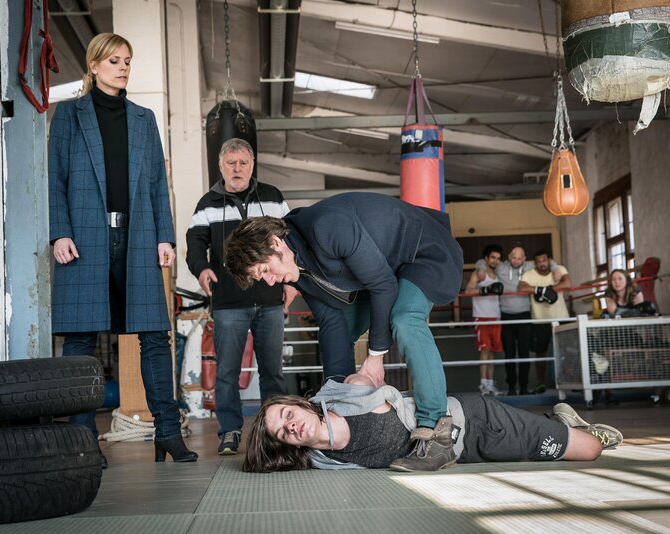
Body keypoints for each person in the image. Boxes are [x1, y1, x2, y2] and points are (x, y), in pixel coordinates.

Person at [224, 192, 464, 471]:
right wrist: (333, 398)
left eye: (265, 270)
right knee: (340, 330)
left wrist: (376, 357)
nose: (268, 281)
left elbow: (384, 286)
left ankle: (436, 432)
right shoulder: (295, 262)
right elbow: (332, 320)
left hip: (424, 253)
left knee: (404, 319)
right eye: (260, 278)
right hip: (385, 270)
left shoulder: (327, 227)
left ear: (275, 243)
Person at [49, 33, 197, 466]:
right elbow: (54, 179)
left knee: (154, 336)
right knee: (80, 340)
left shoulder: (144, 118)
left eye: (128, 60)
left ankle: (167, 433)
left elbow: (155, 184)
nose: (123, 67)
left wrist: (165, 238)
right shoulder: (68, 116)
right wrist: (60, 232)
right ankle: (81, 441)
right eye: (114, 60)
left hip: (137, 238)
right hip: (84, 239)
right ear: (93, 66)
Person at [242, 373, 623, 473]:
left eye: (288, 415)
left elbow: (369, 383)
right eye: (282, 431)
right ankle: (555, 423)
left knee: (588, 452)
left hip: (474, 422)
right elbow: (260, 462)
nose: (290, 427)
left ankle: (572, 424)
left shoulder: (344, 397)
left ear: (301, 405)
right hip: (465, 459)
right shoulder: (321, 461)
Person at [186, 137, 294, 456]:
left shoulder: (273, 197)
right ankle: (230, 432)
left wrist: (292, 282)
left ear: (252, 165)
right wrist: (201, 268)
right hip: (229, 302)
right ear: (221, 166)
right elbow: (194, 240)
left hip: (271, 298)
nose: (237, 169)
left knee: (273, 372)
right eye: (231, 163)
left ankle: (276, 431)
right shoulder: (207, 204)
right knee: (227, 371)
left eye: (243, 162)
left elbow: (292, 239)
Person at [476, 247, 561, 396]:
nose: (516, 261)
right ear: (509, 256)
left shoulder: (529, 266)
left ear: (524, 259)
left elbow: (549, 262)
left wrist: (555, 268)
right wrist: (481, 268)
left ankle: (523, 387)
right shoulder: (501, 266)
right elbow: (481, 262)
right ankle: (511, 388)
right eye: (513, 257)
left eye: (520, 258)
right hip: (506, 315)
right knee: (509, 354)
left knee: (524, 353)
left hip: (524, 315)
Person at [518, 250, 571, 394]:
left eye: (544, 260)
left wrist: (549, 290)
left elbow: (567, 283)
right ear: (535, 263)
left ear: (549, 260)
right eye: (539, 261)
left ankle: (569, 380)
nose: (542, 263)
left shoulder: (559, 270)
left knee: (567, 351)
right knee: (540, 353)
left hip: (561, 317)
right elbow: (522, 287)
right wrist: (540, 290)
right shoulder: (529, 274)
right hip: (539, 320)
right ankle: (541, 383)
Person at [465, 244, 504, 396]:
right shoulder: (479, 273)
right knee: (484, 350)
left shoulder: (498, 274)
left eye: (498, 258)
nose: (495, 261)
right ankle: (483, 384)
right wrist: (485, 290)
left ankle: (490, 383)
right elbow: (468, 291)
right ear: (486, 258)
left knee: (492, 352)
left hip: (495, 316)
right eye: (493, 257)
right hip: (482, 316)